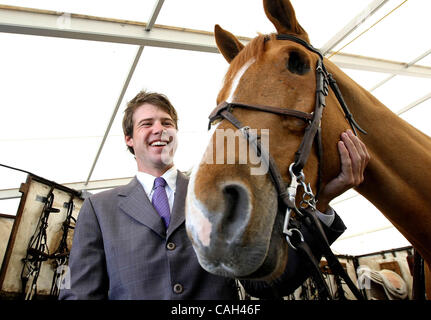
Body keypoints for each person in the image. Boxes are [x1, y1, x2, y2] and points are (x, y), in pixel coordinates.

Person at [59, 90, 369, 300]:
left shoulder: (215, 192)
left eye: (167, 123)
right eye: (146, 124)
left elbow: (269, 282)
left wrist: (322, 202)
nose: (159, 129)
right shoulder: (98, 209)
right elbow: (80, 293)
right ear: (129, 138)